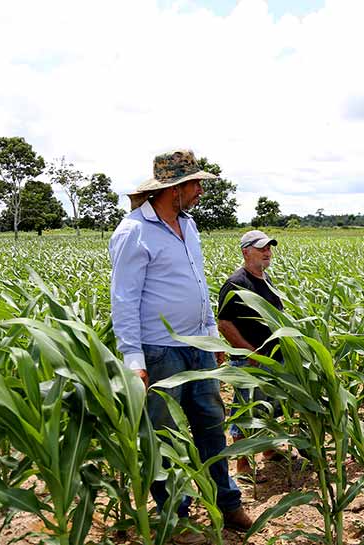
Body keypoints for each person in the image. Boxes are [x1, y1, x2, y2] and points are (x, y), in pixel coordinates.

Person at [109, 149, 253, 540]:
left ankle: (228, 503)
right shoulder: (133, 232)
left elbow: (198, 284)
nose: (201, 191)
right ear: (174, 188)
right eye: (196, 183)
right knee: (166, 436)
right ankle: (177, 515)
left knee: (211, 424)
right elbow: (123, 299)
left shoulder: (188, 225)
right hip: (160, 352)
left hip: (198, 347)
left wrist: (210, 331)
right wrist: (133, 359)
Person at [217, 229, 289, 473]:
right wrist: (250, 352)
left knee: (267, 406)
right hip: (250, 360)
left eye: (269, 248)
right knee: (245, 409)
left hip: (271, 357)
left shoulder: (266, 279)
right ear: (246, 252)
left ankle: (268, 449)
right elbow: (224, 324)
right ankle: (243, 463)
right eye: (261, 248)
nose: (267, 252)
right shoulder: (236, 283)